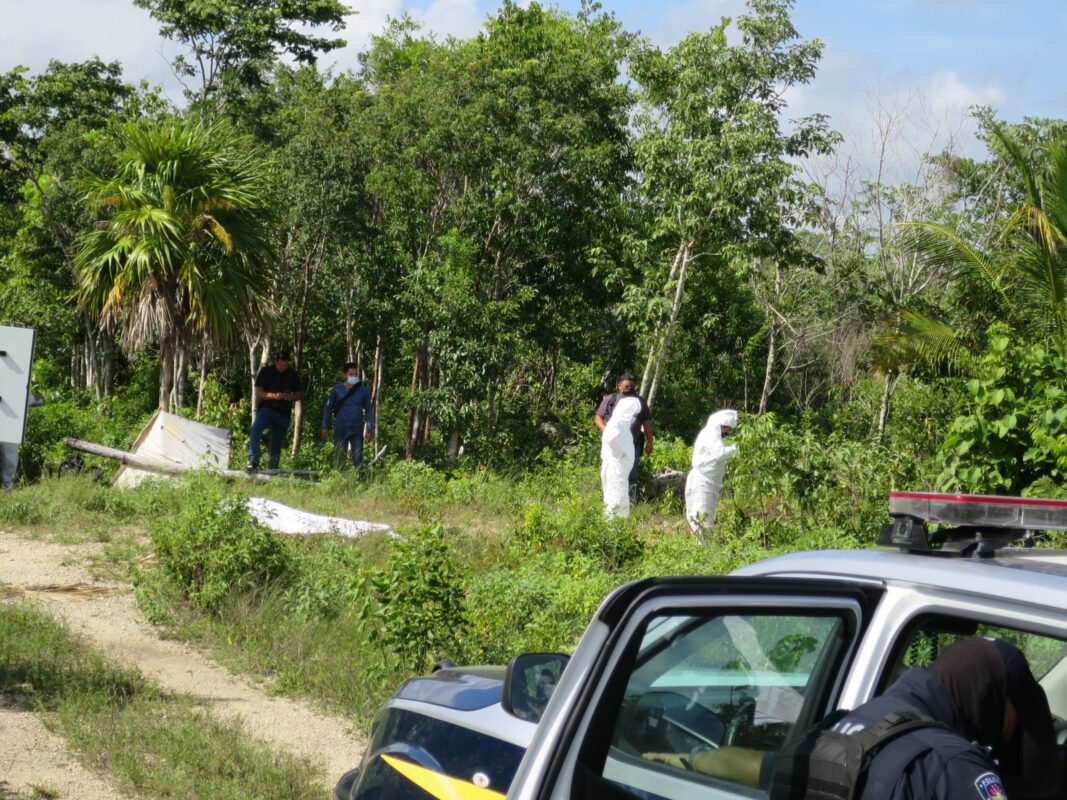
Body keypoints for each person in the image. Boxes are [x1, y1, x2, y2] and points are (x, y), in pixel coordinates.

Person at [645, 637, 1055, 800]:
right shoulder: (953, 766)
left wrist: (689, 760)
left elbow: (761, 767)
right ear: (990, 696)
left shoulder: (841, 729)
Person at [595, 373, 653, 499]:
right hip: (613, 444)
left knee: (631, 473)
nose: (629, 388)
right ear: (619, 386)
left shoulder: (639, 401)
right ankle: (609, 500)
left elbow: (647, 423)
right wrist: (607, 431)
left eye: (631, 386)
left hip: (633, 443)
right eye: (626, 386)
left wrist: (650, 442)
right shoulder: (611, 399)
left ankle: (633, 501)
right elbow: (598, 417)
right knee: (610, 471)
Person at [684, 409, 738, 540]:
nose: (728, 433)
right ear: (723, 426)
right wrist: (735, 448)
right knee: (702, 514)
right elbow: (720, 454)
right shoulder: (711, 434)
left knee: (704, 514)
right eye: (728, 429)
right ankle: (702, 547)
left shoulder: (714, 435)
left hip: (708, 481)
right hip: (702, 481)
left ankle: (702, 544)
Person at [248, 351, 302, 471]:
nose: (282, 368)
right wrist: (274, 396)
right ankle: (253, 459)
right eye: (280, 365)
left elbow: (298, 394)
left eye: (285, 365)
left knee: (277, 441)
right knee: (256, 429)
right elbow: (258, 392)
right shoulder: (266, 372)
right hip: (267, 408)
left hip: (284, 412)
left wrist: (291, 397)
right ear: (275, 362)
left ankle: (273, 467)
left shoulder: (293, 375)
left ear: (288, 363)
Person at [321, 362, 375, 471]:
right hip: (341, 430)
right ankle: (339, 483)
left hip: (357, 430)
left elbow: (369, 410)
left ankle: (360, 484)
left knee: (358, 459)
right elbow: (328, 408)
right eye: (351, 374)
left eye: (355, 374)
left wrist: (369, 429)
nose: (354, 376)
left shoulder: (363, 390)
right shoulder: (337, 390)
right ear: (344, 375)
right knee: (339, 459)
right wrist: (325, 426)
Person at [601, 396, 643, 519]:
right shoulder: (616, 424)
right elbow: (612, 439)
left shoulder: (622, 425)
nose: (634, 417)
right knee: (616, 501)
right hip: (616, 469)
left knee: (620, 501)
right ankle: (613, 533)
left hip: (620, 470)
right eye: (633, 414)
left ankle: (617, 532)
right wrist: (621, 451)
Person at [1, 391, 43, 491]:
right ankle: (7, 486)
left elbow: (18, 398)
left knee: (9, 456)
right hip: (7, 428)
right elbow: (19, 400)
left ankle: (7, 486)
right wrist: (35, 397)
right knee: (9, 456)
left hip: (7, 427)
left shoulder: (12, 386)